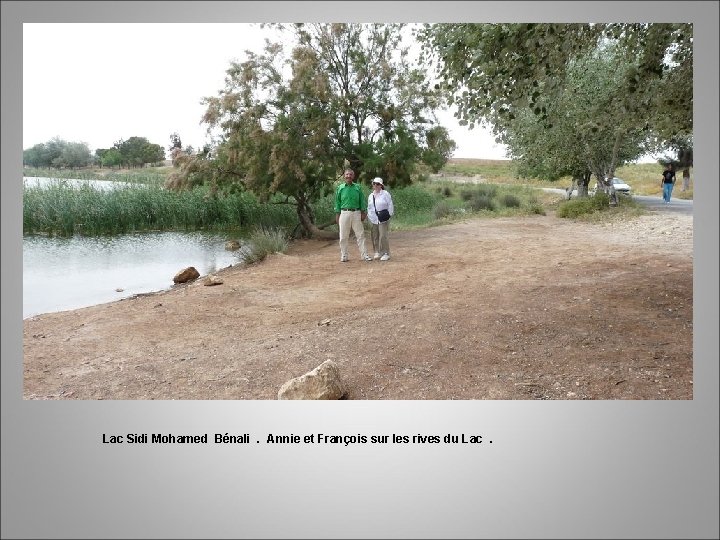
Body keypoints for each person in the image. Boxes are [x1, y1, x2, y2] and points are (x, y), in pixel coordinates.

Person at [334, 168, 372, 262]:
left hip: (356, 213)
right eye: (347, 174)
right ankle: (344, 255)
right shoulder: (340, 188)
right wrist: (337, 215)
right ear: (344, 176)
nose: (348, 176)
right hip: (344, 213)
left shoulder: (357, 187)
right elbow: (337, 202)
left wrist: (363, 212)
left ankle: (364, 255)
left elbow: (362, 200)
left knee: (360, 235)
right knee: (343, 236)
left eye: (350, 174)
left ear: (353, 176)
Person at [367, 177, 394, 261]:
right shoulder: (371, 196)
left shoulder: (385, 194)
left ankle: (385, 252)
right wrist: (370, 216)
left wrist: (389, 214)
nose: (376, 185)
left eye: (378, 184)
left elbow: (390, 204)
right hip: (374, 217)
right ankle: (376, 251)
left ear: (381, 185)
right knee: (375, 235)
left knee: (383, 235)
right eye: (374, 183)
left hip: (383, 216)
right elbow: (369, 207)